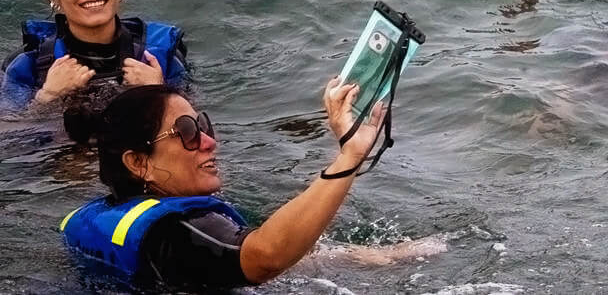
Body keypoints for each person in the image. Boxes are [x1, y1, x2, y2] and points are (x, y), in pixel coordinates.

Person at [60, 80, 437, 289]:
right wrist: (349, 157)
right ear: (139, 163)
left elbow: (224, 255)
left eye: (204, 125)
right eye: (188, 133)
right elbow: (263, 258)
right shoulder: (173, 231)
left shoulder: (114, 216)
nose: (209, 141)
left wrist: (369, 257)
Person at [3, 0, 188, 128]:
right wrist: (47, 98)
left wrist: (159, 93)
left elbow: (197, 130)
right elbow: (9, 138)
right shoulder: (27, 67)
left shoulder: (161, 58)